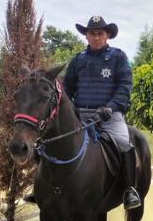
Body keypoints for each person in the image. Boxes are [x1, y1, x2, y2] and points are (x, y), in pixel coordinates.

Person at [23, 15, 141, 209]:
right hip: (81, 115)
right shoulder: (78, 60)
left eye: (100, 34)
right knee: (45, 142)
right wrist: (68, 110)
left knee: (123, 142)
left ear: (107, 35)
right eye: (92, 34)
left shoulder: (118, 57)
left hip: (109, 116)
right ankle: (40, 189)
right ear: (86, 36)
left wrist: (110, 107)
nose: (96, 37)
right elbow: (67, 88)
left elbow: (124, 87)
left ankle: (129, 190)